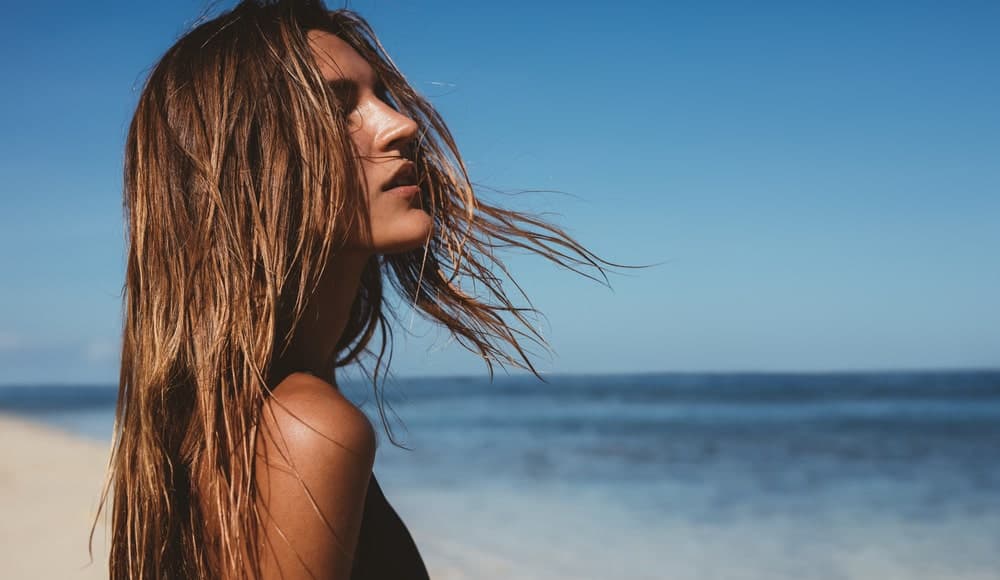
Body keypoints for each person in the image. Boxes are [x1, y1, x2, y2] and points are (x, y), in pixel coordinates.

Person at [95, 1, 617, 578]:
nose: (401, 125)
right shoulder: (306, 429)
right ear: (246, 164)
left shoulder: (225, 420)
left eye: (380, 98)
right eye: (339, 108)